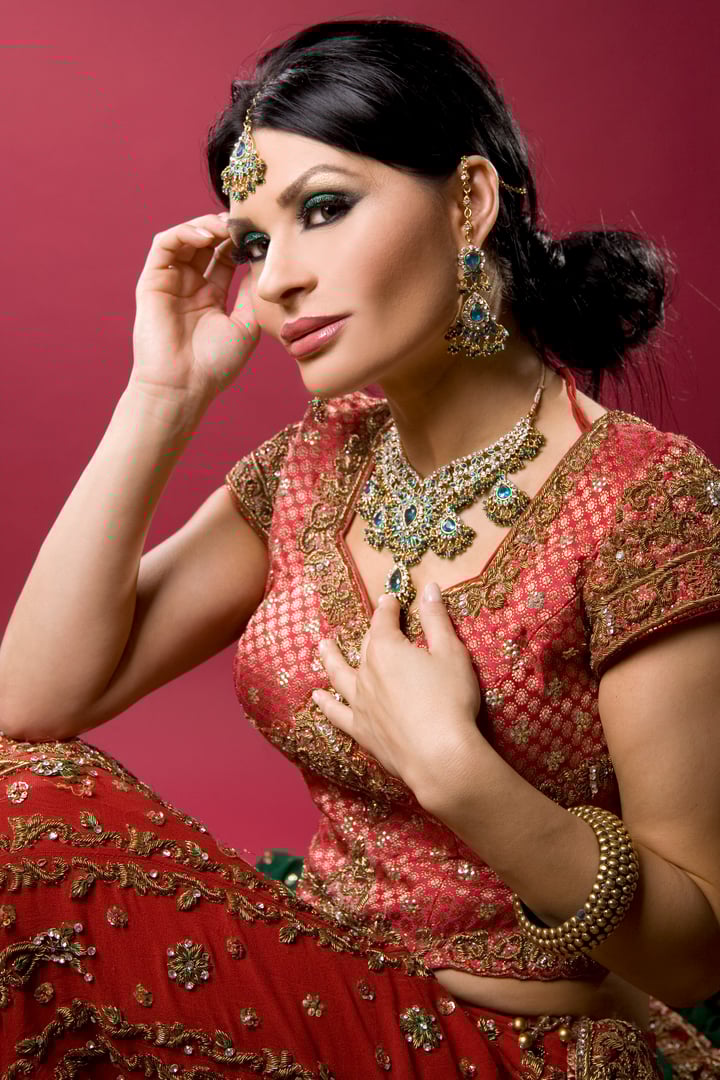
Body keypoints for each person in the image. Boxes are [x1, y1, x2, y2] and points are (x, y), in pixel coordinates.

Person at [0, 15, 718, 1078]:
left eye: (322, 209)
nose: (276, 280)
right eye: (253, 243)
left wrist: (455, 770)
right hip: (318, 987)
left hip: (522, 1047)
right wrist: (163, 395)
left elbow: (696, 948)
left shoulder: (646, 502)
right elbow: (29, 709)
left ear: (469, 201)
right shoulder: (320, 464)